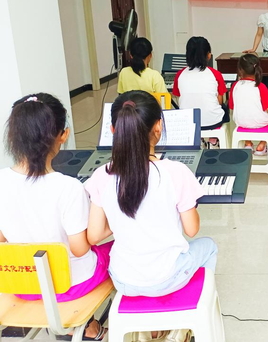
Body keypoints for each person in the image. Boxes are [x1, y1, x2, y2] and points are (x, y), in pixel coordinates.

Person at [86, 90, 217, 297]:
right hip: (167, 278)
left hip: (122, 280)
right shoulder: (176, 172)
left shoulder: (102, 175)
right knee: (209, 246)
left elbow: (93, 236)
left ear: (113, 130)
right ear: (158, 126)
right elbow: (192, 230)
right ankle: (198, 301)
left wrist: (124, 218)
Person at [0, 93, 109, 340]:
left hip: (22, 284)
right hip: (70, 285)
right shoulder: (68, 188)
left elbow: (2, 237)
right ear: (64, 135)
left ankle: (89, 327)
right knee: (114, 251)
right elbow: (80, 249)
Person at [172, 36, 229, 148]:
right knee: (223, 108)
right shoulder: (215, 74)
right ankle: (213, 140)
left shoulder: (180, 74)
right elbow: (219, 101)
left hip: (188, 123)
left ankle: (199, 139)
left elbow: (178, 97)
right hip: (213, 122)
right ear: (209, 55)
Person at [229, 53, 268, 155]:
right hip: (260, 123)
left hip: (241, 122)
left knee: (243, 117)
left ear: (240, 70)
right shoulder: (260, 86)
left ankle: (248, 143)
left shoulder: (235, 86)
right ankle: (262, 145)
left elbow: (232, 106)